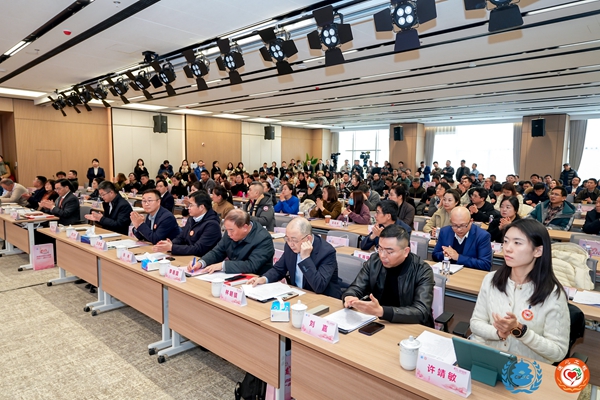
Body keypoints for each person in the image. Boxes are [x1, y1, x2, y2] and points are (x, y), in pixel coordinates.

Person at [469, 219, 569, 364]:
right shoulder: (491, 280)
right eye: (506, 241)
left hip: (528, 369)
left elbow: (558, 352)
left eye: (517, 243)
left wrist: (521, 331)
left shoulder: (553, 294)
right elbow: (476, 323)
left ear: (538, 251)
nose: (508, 248)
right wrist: (498, 333)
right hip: (490, 361)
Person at [342, 225, 434, 327]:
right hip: (379, 321)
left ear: (406, 251)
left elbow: (421, 311)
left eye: (389, 252)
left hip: (409, 325)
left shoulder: (422, 270)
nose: (382, 255)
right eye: (380, 249)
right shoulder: (374, 261)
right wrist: (349, 296)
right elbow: (356, 287)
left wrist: (382, 311)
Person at [248, 217, 341, 298]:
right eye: (287, 239)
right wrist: (264, 279)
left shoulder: (326, 252)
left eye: (294, 240)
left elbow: (319, 286)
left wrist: (305, 259)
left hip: (322, 298)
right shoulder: (290, 245)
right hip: (297, 294)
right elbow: (279, 269)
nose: (290, 244)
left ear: (308, 238)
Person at [187, 209, 274, 275]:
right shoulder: (230, 232)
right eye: (226, 230)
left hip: (256, 280)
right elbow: (217, 252)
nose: (228, 234)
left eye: (231, 230)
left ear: (245, 227)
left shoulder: (263, 239)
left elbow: (251, 265)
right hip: (234, 276)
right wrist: (201, 263)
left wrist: (222, 266)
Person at [153, 191, 221, 256]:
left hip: (202, 260)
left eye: (191, 205)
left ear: (201, 207)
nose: (188, 208)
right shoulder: (192, 218)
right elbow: (182, 237)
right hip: (189, 257)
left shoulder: (212, 225)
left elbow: (198, 249)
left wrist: (172, 247)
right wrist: (171, 243)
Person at [432, 207, 493, 271]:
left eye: (463, 225)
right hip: (448, 272)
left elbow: (485, 265)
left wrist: (458, 257)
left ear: (471, 221)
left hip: (469, 274)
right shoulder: (444, 231)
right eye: (455, 225)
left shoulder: (482, 236)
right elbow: (434, 255)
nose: (459, 229)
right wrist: (444, 254)